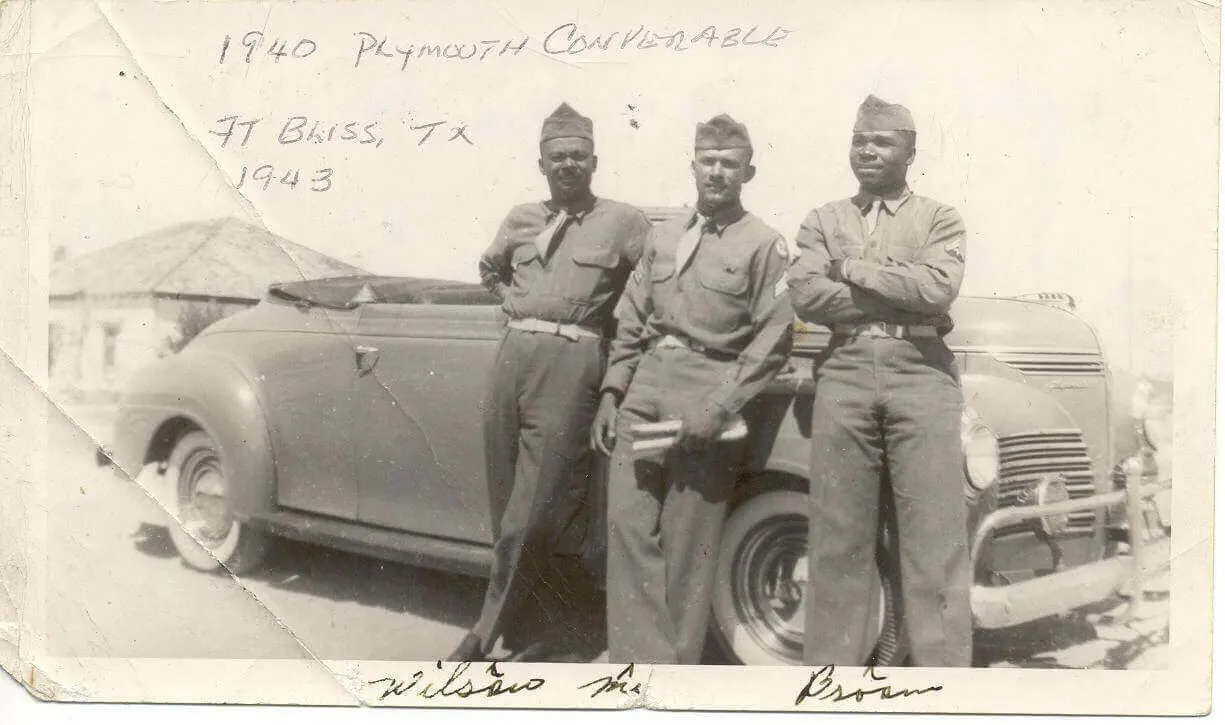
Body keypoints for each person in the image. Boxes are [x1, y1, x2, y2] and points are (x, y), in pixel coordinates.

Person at [449, 102, 653, 663]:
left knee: (533, 510)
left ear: (594, 161)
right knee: (505, 497)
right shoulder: (520, 218)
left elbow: (649, 293)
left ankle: (483, 632)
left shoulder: (623, 222)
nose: (568, 165)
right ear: (541, 162)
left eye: (578, 157)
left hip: (574, 358)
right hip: (513, 356)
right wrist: (511, 301)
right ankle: (534, 626)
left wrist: (616, 362)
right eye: (558, 156)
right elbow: (490, 269)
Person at [591, 114, 794, 664]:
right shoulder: (664, 237)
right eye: (708, 161)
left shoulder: (764, 245)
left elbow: (772, 339)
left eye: (730, 164)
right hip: (648, 384)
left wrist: (720, 406)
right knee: (628, 529)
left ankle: (673, 675)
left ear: (748, 171)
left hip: (708, 390)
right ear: (693, 166)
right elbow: (632, 317)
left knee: (687, 544)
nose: (718, 173)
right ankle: (638, 665)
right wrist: (613, 393)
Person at [787, 95, 972, 666]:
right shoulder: (823, 219)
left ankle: (943, 692)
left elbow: (937, 290)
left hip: (920, 373)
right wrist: (893, 284)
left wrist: (850, 269)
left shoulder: (939, 218)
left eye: (882, 141)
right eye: (859, 140)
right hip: (843, 372)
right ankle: (829, 687)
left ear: (911, 152)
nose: (867, 150)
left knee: (934, 544)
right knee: (838, 540)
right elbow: (805, 292)